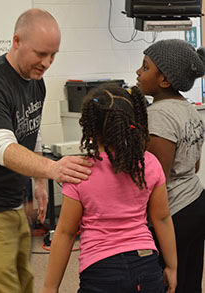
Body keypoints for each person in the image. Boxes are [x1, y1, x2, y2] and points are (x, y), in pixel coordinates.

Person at [0, 8, 92, 293]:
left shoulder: (34, 82)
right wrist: (53, 169)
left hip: (12, 202)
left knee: (21, 283)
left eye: (53, 55)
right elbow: (2, 147)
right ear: (16, 41)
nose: (47, 63)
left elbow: (31, 130)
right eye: (41, 54)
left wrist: (40, 181)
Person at [40, 85, 177, 293]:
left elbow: (66, 233)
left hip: (101, 270)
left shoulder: (79, 171)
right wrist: (172, 266)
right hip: (146, 264)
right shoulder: (148, 164)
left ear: (89, 127)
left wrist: (50, 287)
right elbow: (162, 219)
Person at [136, 38, 205, 293]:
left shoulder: (158, 116)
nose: (138, 72)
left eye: (145, 67)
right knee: (190, 278)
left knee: (167, 281)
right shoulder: (189, 109)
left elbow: (157, 179)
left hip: (174, 213)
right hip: (196, 202)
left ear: (164, 80)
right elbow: (195, 165)